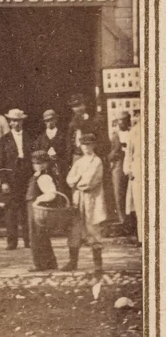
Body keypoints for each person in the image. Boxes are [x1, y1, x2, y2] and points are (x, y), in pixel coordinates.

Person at [64, 132, 106, 273]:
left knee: (92, 229)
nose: (86, 147)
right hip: (78, 199)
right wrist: (76, 180)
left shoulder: (97, 161)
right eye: (83, 145)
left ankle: (97, 264)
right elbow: (69, 179)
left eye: (89, 144)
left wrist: (77, 181)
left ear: (93, 145)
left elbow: (90, 182)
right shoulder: (79, 162)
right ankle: (73, 261)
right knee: (75, 230)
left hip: (91, 199)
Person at [0, 108, 32, 249]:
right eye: (13, 121)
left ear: (22, 121)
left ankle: (28, 240)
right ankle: (12, 242)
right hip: (11, 178)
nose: (16, 123)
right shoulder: (4, 140)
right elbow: (0, 162)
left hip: (26, 176)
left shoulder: (29, 137)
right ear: (9, 123)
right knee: (11, 211)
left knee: (26, 210)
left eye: (18, 121)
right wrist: (3, 181)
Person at [25, 150, 59, 271]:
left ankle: (39, 264)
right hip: (32, 207)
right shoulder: (36, 175)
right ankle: (49, 262)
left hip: (38, 208)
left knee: (37, 235)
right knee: (38, 235)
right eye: (34, 163)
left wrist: (39, 199)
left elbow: (52, 193)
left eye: (39, 163)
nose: (37, 166)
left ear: (46, 164)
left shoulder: (44, 176)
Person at [32, 109, 70, 188]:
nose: (49, 122)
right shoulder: (40, 138)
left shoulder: (63, 136)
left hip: (61, 169)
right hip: (46, 171)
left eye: (51, 120)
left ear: (55, 120)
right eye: (47, 121)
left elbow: (68, 152)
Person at [109, 108, 132, 226]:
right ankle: (122, 219)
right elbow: (111, 153)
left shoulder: (133, 133)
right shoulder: (115, 135)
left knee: (131, 192)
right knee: (118, 192)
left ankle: (132, 219)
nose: (121, 123)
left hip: (130, 163)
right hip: (118, 164)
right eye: (119, 121)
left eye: (124, 120)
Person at [123, 107, 142, 243]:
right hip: (138, 169)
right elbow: (128, 153)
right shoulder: (134, 131)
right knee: (140, 205)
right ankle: (143, 238)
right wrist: (128, 169)